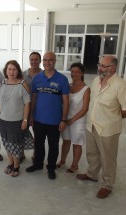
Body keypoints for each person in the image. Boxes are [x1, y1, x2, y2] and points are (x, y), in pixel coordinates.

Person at [76, 56, 126, 199]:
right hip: (92, 124)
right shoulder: (96, 81)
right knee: (92, 153)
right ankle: (92, 174)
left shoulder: (121, 85)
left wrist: (111, 118)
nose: (99, 68)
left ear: (112, 68)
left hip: (108, 129)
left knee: (108, 158)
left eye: (103, 66)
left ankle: (107, 185)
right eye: (99, 65)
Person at [26, 51, 70, 180]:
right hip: (38, 119)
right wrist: (31, 116)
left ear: (55, 61)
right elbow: (33, 98)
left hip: (55, 121)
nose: (47, 63)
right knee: (38, 144)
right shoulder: (37, 78)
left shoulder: (62, 79)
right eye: (45, 60)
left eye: (50, 60)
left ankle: (51, 168)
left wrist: (64, 120)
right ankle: (38, 164)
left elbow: (66, 102)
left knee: (53, 146)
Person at [0, 60, 33, 177]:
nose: (11, 72)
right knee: (6, 143)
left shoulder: (22, 84)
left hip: (16, 121)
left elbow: (27, 103)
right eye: (9, 69)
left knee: (15, 144)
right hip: (4, 120)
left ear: (18, 71)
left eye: (14, 69)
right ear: (6, 71)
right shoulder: (2, 83)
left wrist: (25, 120)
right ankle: (10, 163)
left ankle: (16, 166)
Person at [57, 62, 90, 173]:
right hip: (65, 119)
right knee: (66, 141)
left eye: (77, 72)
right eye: (72, 71)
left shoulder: (86, 89)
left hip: (78, 120)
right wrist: (64, 118)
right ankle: (62, 161)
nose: (74, 74)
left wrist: (72, 120)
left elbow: (85, 109)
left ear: (82, 73)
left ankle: (74, 165)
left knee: (77, 143)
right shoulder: (67, 86)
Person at [21, 51, 42, 163]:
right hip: (23, 109)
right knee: (22, 132)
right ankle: (21, 154)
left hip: (39, 110)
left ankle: (36, 154)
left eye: (36, 59)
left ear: (40, 61)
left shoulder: (43, 75)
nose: (34, 61)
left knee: (37, 134)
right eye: (32, 59)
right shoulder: (23, 74)